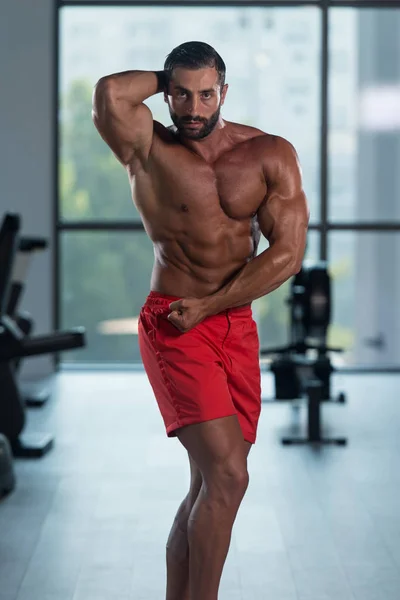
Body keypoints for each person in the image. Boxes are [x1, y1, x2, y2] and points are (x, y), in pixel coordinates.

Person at [92, 40, 309, 600]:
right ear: (166, 92)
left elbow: (287, 254)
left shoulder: (268, 153)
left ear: (224, 92)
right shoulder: (147, 147)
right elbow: (112, 93)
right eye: (180, 94)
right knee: (230, 477)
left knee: (207, 484)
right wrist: (169, 74)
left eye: (205, 94)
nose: (193, 108)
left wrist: (215, 306)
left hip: (231, 325)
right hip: (175, 325)